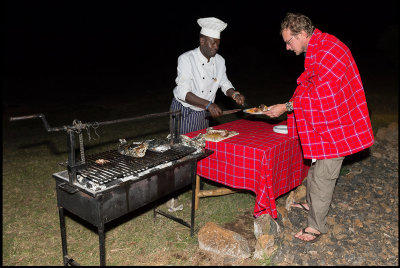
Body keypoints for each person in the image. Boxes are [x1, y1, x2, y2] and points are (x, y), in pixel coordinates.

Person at [264, 13, 374, 242]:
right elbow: (311, 83)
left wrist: (286, 106)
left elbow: (323, 94)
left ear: (302, 34)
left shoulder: (329, 50)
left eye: (289, 41)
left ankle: (316, 227)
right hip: (328, 121)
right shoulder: (319, 46)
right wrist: (289, 104)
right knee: (315, 170)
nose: (286, 47)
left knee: (324, 175)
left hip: (338, 124)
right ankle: (313, 203)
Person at [170, 17, 245, 136]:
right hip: (184, 109)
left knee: (200, 142)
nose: (216, 47)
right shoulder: (187, 59)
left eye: (218, 43)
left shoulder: (220, 61)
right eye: (213, 42)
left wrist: (234, 94)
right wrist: (208, 104)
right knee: (183, 147)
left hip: (204, 109)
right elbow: (182, 92)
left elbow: (224, 83)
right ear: (202, 41)